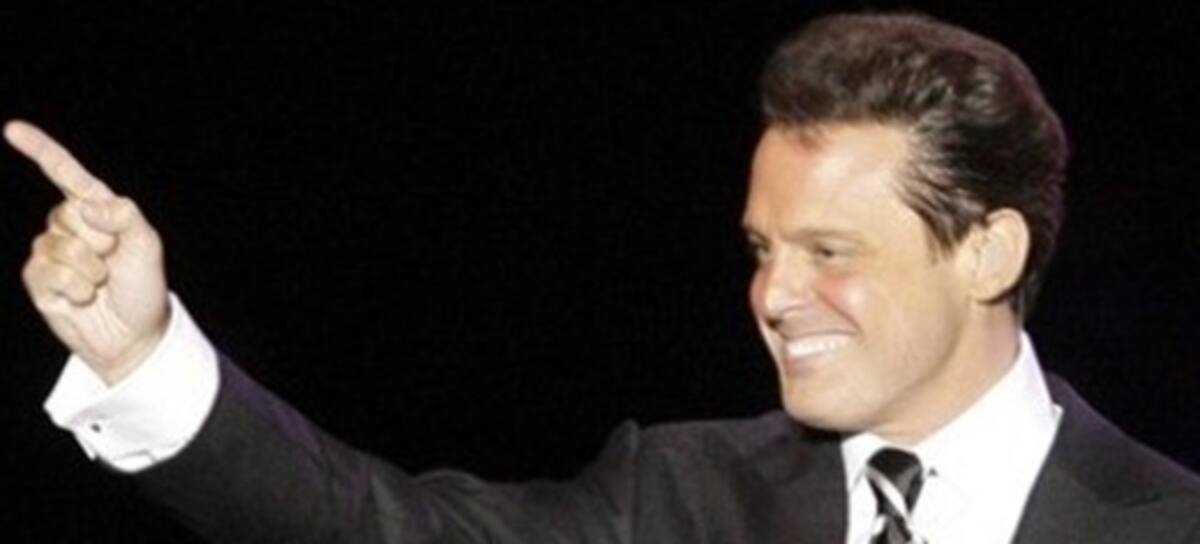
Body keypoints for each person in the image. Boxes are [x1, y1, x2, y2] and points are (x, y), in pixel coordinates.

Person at [11, 11, 1200, 544]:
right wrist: (140, 356)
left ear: (987, 252)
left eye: (831, 252)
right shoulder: (680, 498)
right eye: (764, 249)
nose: (775, 295)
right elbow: (379, 528)